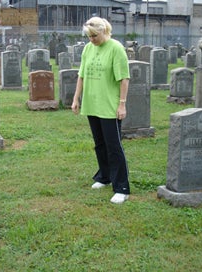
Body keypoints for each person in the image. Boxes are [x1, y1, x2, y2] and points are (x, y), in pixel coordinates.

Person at [71, 17, 130, 204]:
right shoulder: (88, 48)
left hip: (109, 106)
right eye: (89, 36)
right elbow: (81, 75)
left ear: (104, 31)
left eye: (94, 36)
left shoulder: (116, 48)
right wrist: (76, 98)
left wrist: (122, 104)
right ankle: (104, 176)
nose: (92, 40)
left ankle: (121, 187)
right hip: (92, 103)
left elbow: (124, 79)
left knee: (114, 146)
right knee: (99, 144)